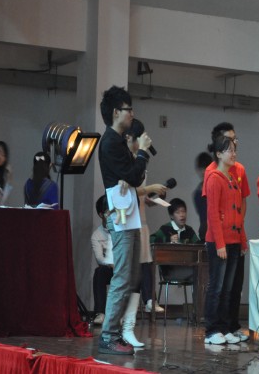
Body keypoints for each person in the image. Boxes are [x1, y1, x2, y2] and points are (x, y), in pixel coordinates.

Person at [97, 86, 153, 355]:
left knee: (131, 275)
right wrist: (142, 152)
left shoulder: (118, 141)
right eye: (129, 109)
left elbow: (133, 177)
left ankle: (116, 332)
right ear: (116, 112)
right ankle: (108, 336)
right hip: (120, 217)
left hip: (128, 214)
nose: (132, 113)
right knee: (122, 276)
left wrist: (136, 163)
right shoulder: (110, 142)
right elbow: (132, 176)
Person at [202, 123, 250, 342]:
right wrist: (220, 244)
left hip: (233, 240)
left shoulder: (232, 177)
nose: (234, 153)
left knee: (229, 289)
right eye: (229, 150)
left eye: (234, 149)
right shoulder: (214, 177)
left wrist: (242, 240)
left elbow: (238, 213)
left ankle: (225, 327)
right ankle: (211, 330)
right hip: (219, 242)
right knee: (217, 287)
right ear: (219, 154)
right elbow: (213, 214)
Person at [122, 119, 167, 346]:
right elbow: (124, 188)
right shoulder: (123, 159)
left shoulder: (140, 159)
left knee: (139, 276)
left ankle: (129, 327)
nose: (145, 140)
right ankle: (120, 325)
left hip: (140, 221)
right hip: (126, 223)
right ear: (130, 138)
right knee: (127, 277)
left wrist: (148, 198)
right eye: (142, 136)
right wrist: (149, 188)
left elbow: (137, 193)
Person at [151, 198, 201, 283]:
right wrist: (168, 240)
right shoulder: (165, 228)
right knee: (199, 273)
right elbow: (151, 239)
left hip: (186, 267)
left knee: (202, 270)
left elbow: (198, 244)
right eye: (178, 212)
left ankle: (200, 293)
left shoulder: (189, 230)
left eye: (183, 211)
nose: (182, 215)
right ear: (171, 216)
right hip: (169, 271)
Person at [91, 195, 113, 326]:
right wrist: (110, 263)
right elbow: (100, 258)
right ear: (101, 214)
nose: (112, 215)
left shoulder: (121, 228)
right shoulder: (97, 235)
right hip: (110, 268)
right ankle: (100, 312)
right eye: (108, 212)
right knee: (99, 272)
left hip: (123, 266)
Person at [193, 152, 213, 240]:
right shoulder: (197, 193)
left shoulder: (217, 187)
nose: (203, 172)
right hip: (205, 232)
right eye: (201, 169)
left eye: (205, 168)